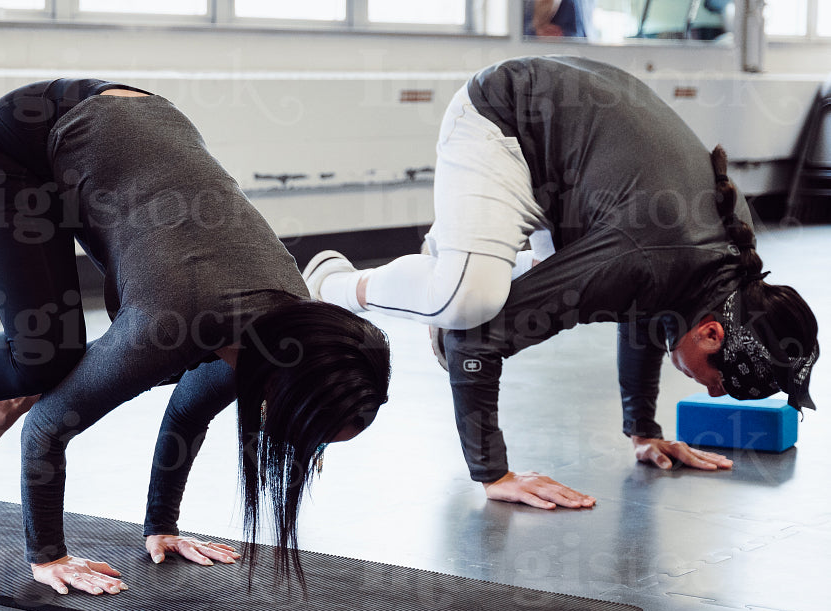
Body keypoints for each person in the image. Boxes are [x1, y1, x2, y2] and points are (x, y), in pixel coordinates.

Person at [0, 79, 391, 595]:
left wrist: (162, 526)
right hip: (21, 141)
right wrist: (49, 556)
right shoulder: (175, 325)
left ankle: (12, 385)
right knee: (42, 359)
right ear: (280, 390)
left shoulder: (284, 334)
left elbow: (189, 411)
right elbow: (49, 427)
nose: (304, 446)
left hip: (132, 146)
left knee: (55, 357)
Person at [305, 56, 818, 509]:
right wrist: (494, 472)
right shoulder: (649, 256)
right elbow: (476, 343)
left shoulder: (724, 261)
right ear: (712, 334)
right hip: (506, 122)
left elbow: (648, 310)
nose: (713, 391)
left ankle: (459, 257)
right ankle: (333, 281)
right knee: (467, 306)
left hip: (578, 179)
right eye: (719, 380)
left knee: (532, 297)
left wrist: (644, 432)